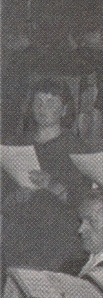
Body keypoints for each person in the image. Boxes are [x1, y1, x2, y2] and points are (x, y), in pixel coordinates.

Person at [2, 79, 91, 272]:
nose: (43, 108)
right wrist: (15, 195)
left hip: (56, 229)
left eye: (51, 103)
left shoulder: (76, 148)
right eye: (39, 102)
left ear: (64, 110)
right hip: (18, 225)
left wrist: (52, 186)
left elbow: (84, 201)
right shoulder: (17, 143)